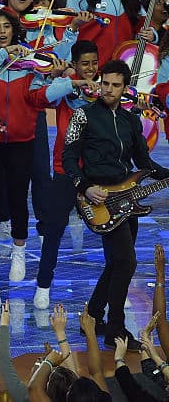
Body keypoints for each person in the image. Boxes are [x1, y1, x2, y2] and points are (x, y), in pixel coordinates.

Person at [64, 59, 169, 350]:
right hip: (97, 199)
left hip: (128, 198)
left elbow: (143, 163)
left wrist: (166, 174)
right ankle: (116, 330)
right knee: (126, 262)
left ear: (124, 88)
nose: (108, 90)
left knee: (117, 263)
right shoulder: (82, 115)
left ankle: (94, 315)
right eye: (105, 83)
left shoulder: (131, 121)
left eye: (115, 85)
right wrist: (85, 188)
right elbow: (68, 159)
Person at [0, 9, 77, 282]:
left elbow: (40, 100)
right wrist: (5, 56)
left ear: (15, 30)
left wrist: (59, 80)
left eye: (7, 27)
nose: (3, 32)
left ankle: (19, 251)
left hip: (22, 139)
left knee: (19, 197)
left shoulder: (31, 59)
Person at [35, 40, 101, 309]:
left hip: (97, 171)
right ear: (75, 64)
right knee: (53, 230)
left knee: (112, 229)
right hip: (65, 169)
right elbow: (45, 94)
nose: (90, 68)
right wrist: (65, 79)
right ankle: (43, 286)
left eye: (94, 63)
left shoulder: (105, 87)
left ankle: (116, 287)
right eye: (84, 63)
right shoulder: (66, 86)